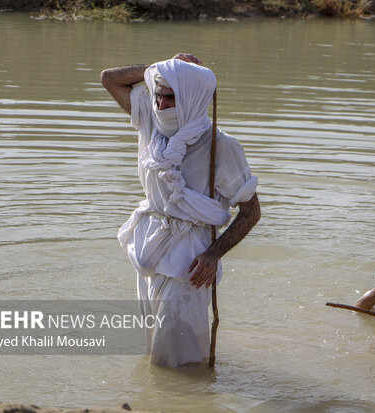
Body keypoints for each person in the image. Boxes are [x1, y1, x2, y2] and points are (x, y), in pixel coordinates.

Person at [100, 53, 261, 366]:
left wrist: (214, 254)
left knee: (177, 358)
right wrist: (160, 67)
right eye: (157, 95)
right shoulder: (151, 122)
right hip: (151, 248)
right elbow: (109, 78)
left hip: (191, 260)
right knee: (153, 350)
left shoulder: (220, 145)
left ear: (191, 96)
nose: (160, 105)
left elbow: (251, 212)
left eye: (170, 98)